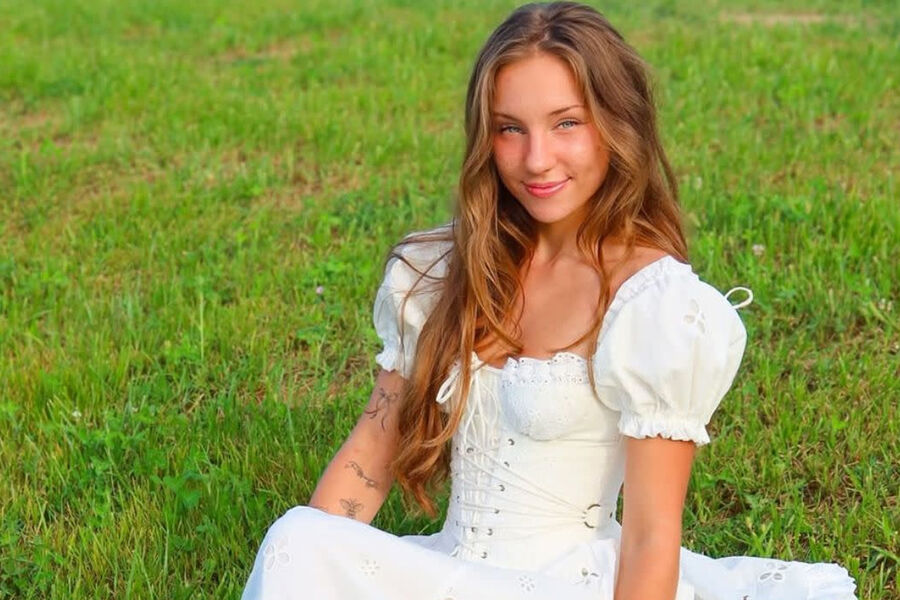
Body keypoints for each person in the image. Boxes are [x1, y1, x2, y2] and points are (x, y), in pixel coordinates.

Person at [241, 3, 857, 599]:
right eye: (510, 128)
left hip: (568, 583)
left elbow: (650, 536)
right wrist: (316, 567)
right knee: (299, 536)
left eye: (567, 123)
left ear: (617, 124)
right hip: (454, 572)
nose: (537, 160)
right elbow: (371, 455)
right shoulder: (442, 269)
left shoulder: (652, 305)